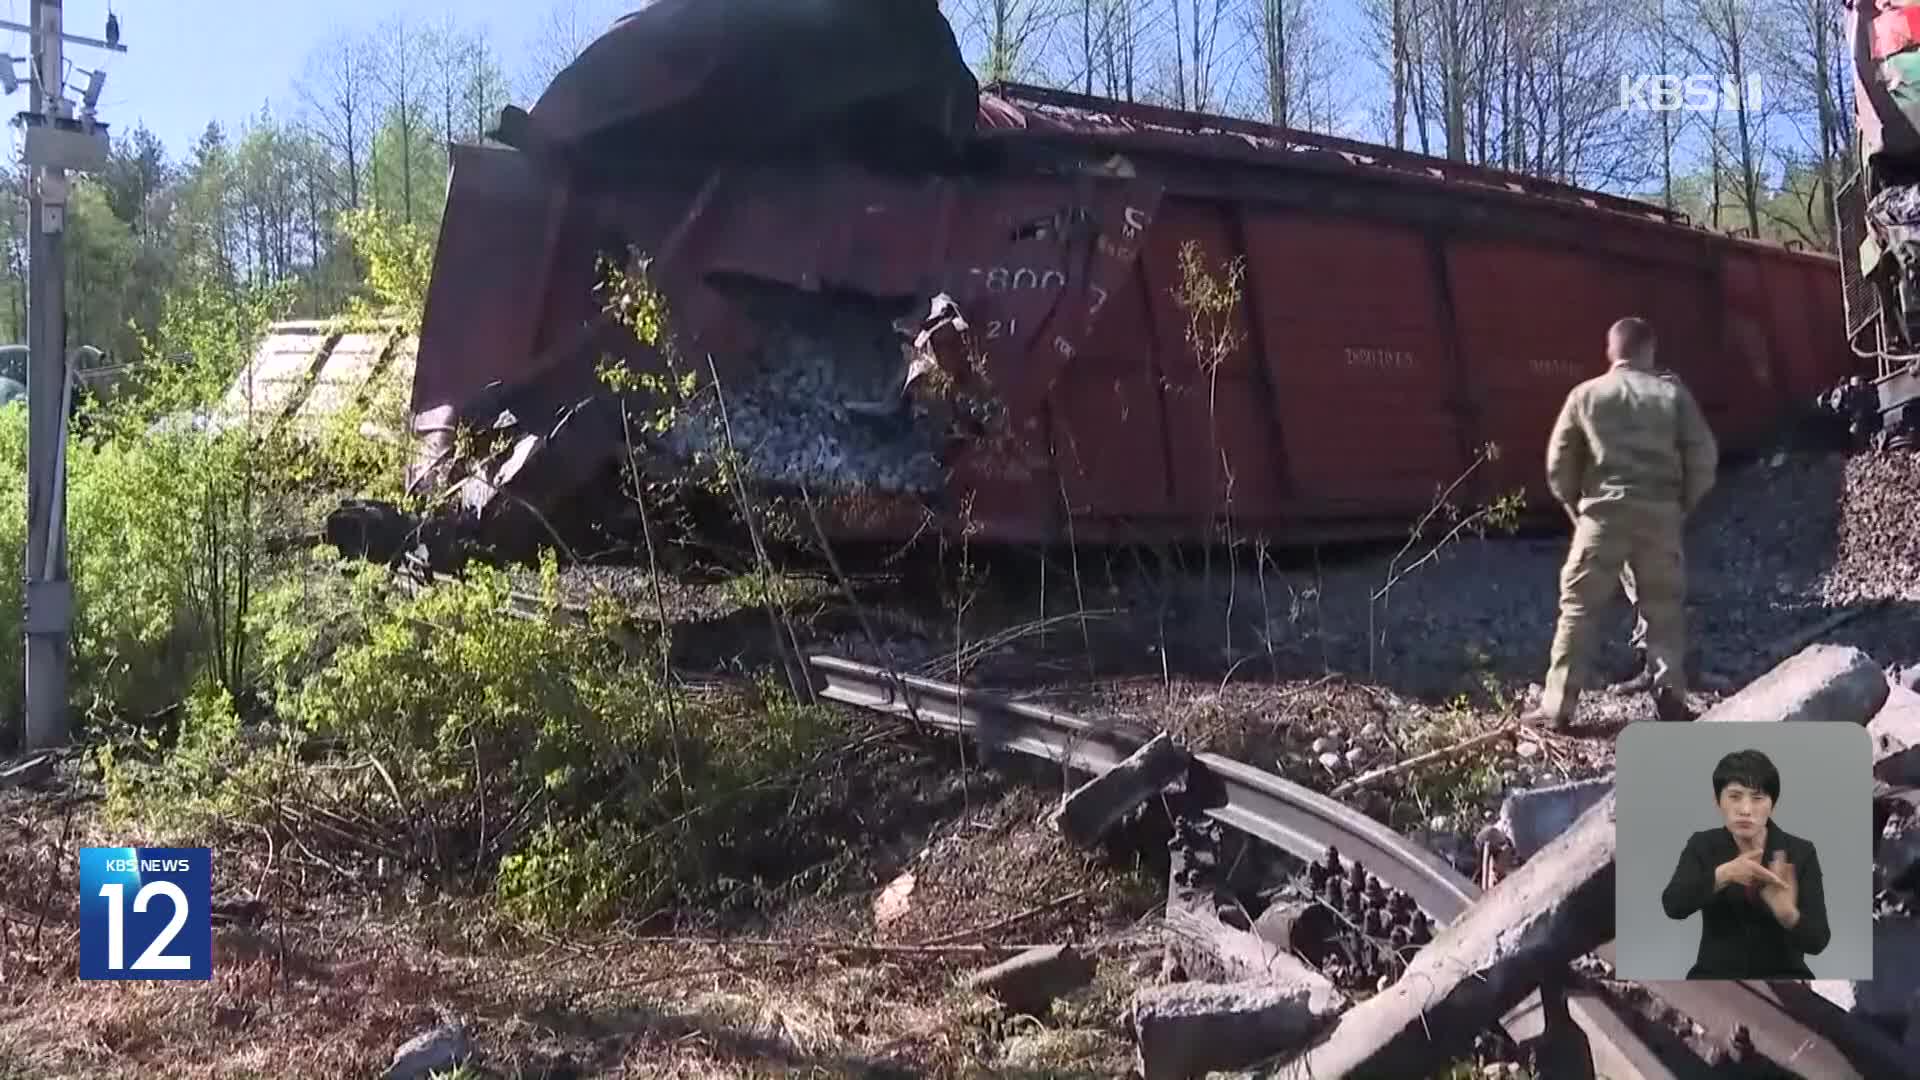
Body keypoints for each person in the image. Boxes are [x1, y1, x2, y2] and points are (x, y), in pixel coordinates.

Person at [1521, 317, 1718, 730]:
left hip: (1602, 517)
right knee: (1663, 609)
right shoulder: (1671, 395)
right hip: (1659, 516)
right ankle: (1671, 701)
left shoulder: (1585, 395)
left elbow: (1558, 468)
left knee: (1578, 609)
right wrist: (1678, 507)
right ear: (1649, 350)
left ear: (1611, 351)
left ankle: (1557, 707)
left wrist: (1580, 510)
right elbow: (1703, 459)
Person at [1659, 748, 1829, 979]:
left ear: (1773, 804)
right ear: (1717, 801)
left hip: (1784, 982)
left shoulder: (1801, 852)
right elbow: (1673, 905)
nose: (1745, 810)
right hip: (1715, 979)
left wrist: (1789, 915)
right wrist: (1722, 875)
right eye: (1734, 797)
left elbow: (1818, 940)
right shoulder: (1703, 845)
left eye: (1757, 798)